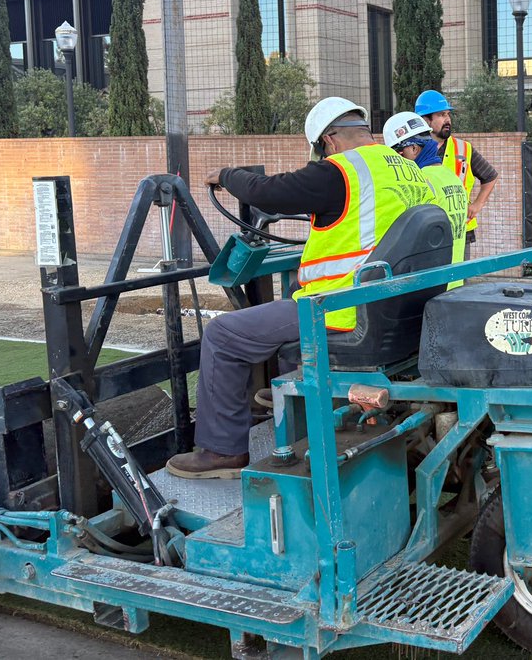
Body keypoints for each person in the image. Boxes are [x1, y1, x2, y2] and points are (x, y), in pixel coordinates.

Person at [166, 97, 435, 479]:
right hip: (399, 307)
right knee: (295, 285)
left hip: (341, 310)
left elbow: (268, 190)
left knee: (224, 335)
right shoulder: (406, 170)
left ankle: (221, 450)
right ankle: (297, 399)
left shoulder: (340, 171)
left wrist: (227, 175)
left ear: (329, 141)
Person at [383, 111, 468, 286]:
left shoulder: (420, 181)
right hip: (454, 281)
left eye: (398, 153)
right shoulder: (452, 177)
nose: (397, 161)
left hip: (430, 286)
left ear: (414, 148)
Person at [414, 90, 499, 259]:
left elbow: (490, 176)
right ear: (425, 120)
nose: (448, 120)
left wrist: (477, 205)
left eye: (448, 114)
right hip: (427, 230)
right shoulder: (413, 149)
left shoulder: (464, 149)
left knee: (460, 283)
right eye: (441, 115)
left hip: (461, 229)